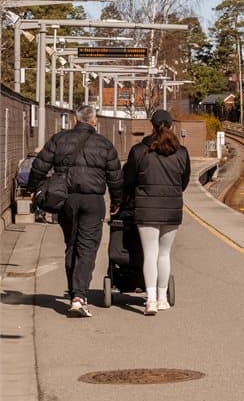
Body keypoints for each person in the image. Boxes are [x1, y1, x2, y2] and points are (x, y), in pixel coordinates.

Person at [29, 110, 123, 317]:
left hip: (66, 199)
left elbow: (39, 165)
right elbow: (115, 177)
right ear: (94, 121)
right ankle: (79, 296)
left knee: (71, 245)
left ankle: (74, 293)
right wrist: (117, 201)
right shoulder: (104, 144)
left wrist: (33, 188)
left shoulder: (59, 139)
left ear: (74, 120)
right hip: (93, 201)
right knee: (87, 247)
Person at [120, 110, 190, 315]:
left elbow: (130, 180)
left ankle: (150, 300)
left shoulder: (140, 151)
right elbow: (183, 182)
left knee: (149, 254)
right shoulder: (182, 152)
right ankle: (162, 298)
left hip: (146, 208)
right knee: (164, 254)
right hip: (172, 209)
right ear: (171, 125)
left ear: (151, 125)